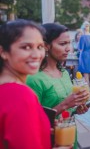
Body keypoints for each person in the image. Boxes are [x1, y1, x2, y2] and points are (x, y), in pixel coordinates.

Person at [26, 23, 90, 149]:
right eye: (62, 44)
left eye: (69, 43)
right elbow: (32, 121)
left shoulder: (64, 72)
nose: (69, 48)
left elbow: (66, 109)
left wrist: (76, 108)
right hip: (50, 141)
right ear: (46, 46)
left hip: (70, 137)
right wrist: (65, 104)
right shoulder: (34, 79)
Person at [0, 19, 51, 148]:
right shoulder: (19, 95)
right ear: (3, 52)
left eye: (40, 47)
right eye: (26, 47)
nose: (36, 55)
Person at [78, 21, 90, 94]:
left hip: (84, 56)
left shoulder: (82, 37)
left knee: (86, 74)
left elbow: (80, 48)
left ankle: (87, 92)